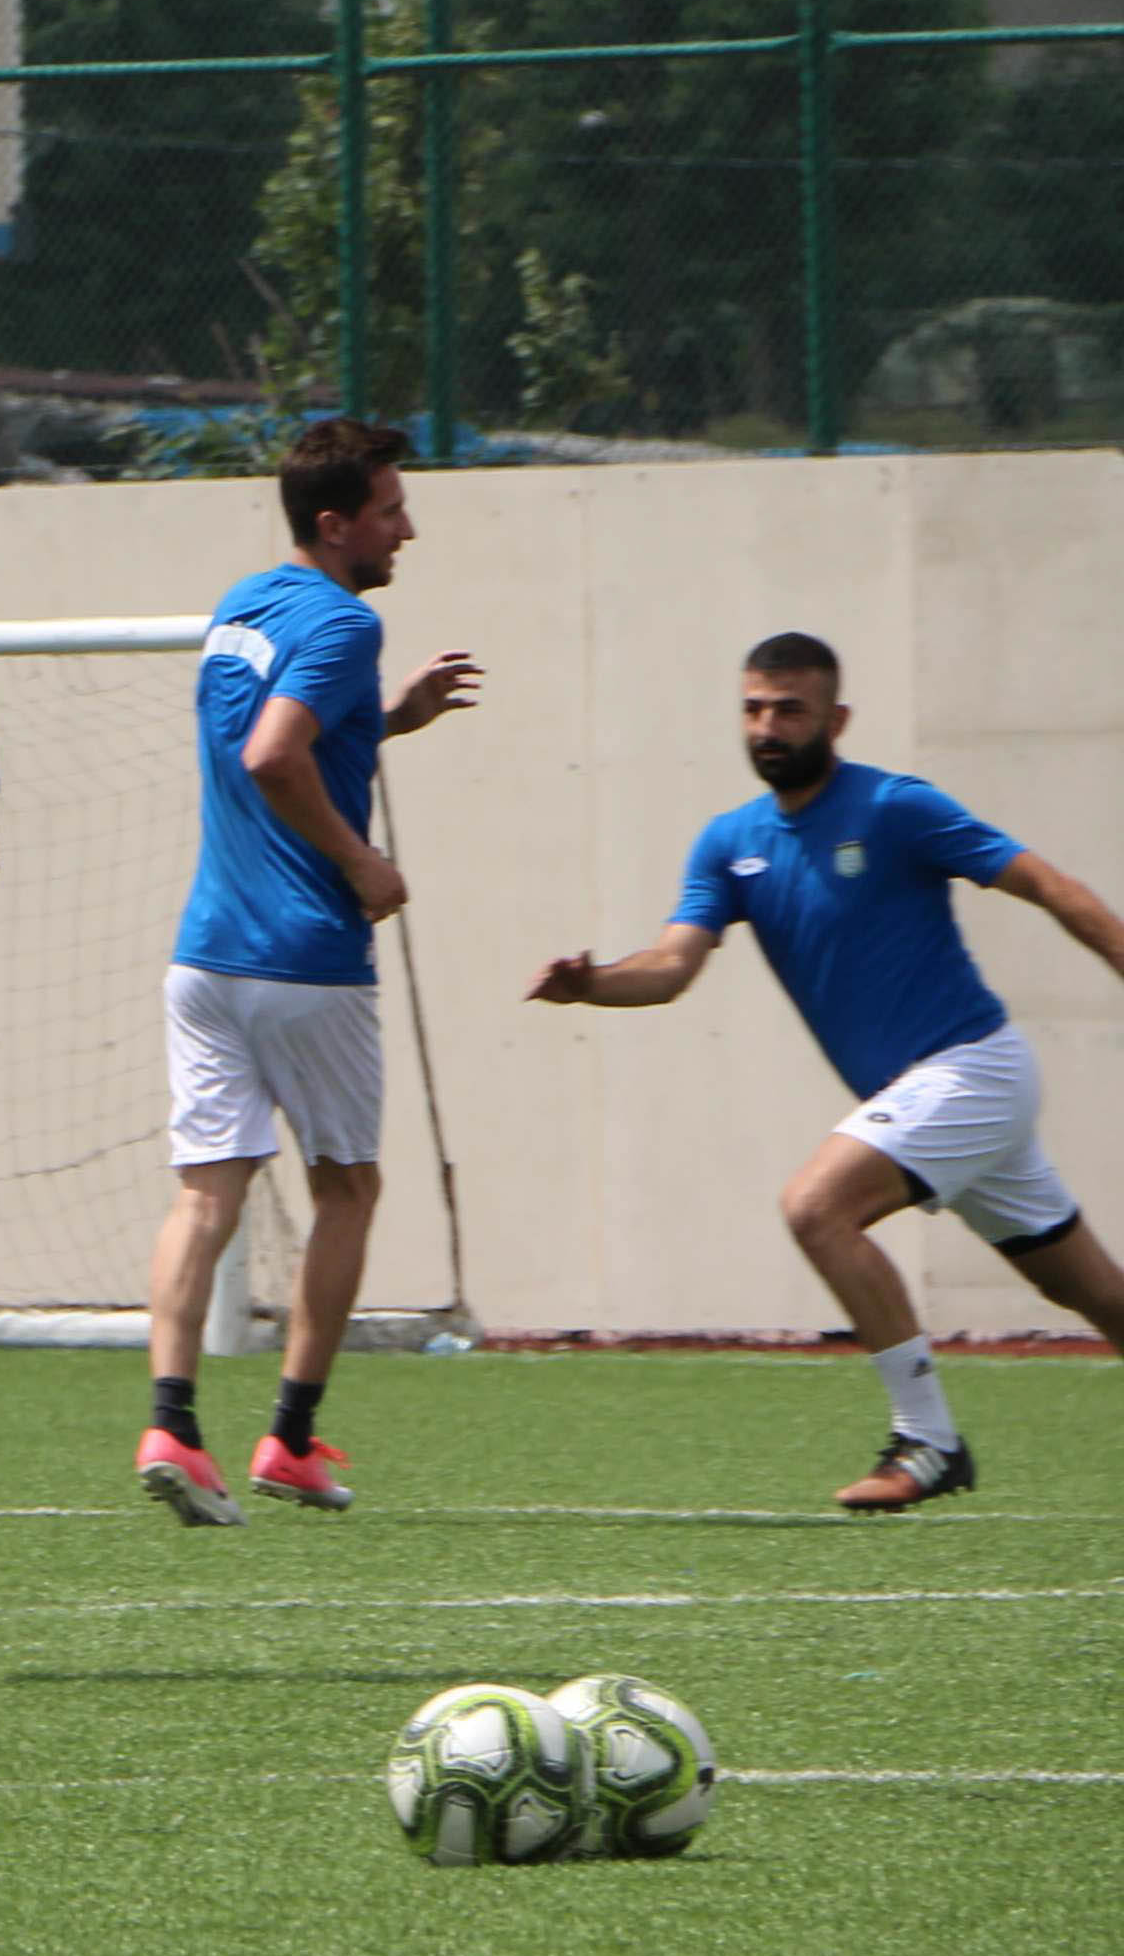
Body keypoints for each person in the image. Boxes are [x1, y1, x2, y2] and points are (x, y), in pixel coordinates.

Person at [527, 632, 1124, 1508]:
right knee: (1094, 1294)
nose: (767, 727)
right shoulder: (730, 843)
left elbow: (1048, 884)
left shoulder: (894, 808)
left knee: (816, 1207)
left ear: (835, 719)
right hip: (932, 1096)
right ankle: (932, 1441)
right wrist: (595, 985)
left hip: (970, 1069)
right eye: (753, 709)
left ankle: (927, 1442)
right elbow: (671, 967)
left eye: (789, 710)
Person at [137, 416, 479, 1522]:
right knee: (348, 1187)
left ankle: (173, 1426)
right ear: (336, 525)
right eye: (390, 510)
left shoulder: (244, 605)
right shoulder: (342, 622)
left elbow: (290, 734)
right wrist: (362, 861)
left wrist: (392, 724)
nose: (407, 528)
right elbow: (273, 755)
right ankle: (288, 1438)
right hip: (304, 958)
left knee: (207, 1195)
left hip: (206, 954)